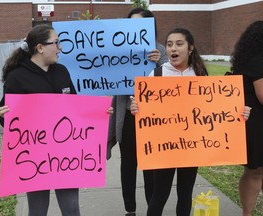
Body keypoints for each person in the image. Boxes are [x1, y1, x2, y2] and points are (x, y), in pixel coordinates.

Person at [130, 27, 251, 216]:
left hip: (191, 145)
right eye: (169, 44)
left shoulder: (200, 74)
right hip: (164, 146)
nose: (172, 49)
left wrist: (238, 112)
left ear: (190, 48)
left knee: (185, 193)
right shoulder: (157, 74)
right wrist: (136, 108)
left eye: (179, 44)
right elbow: (143, 108)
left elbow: (214, 108)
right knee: (160, 194)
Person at [0, 24, 112, 216]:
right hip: (34, 158)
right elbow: (8, 121)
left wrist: (98, 113)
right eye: (56, 43)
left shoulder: (62, 71)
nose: (60, 48)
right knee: (37, 210)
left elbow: (75, 107)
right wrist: (3, 115)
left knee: (71, 208)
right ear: (40, 48)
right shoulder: (17, 77)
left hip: (65, 156)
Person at [107, 7, 168, 216]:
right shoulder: (120, 48)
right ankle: (130, 210)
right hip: (128, 115)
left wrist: (160, 60)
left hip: (153, 119)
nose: (135, 28)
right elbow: (106, 74)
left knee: (151, 166)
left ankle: (153, 209)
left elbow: (174, 82)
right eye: (131, 23)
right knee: (128, 164)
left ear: (149, 27)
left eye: (139, 24)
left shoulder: (161, 50)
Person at [230, 20, 263, 216]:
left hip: (252, 122)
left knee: (255, 171)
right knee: (255, 171)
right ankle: (247, 213)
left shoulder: (247, 57)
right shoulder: (258, 60)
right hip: (257, 123)